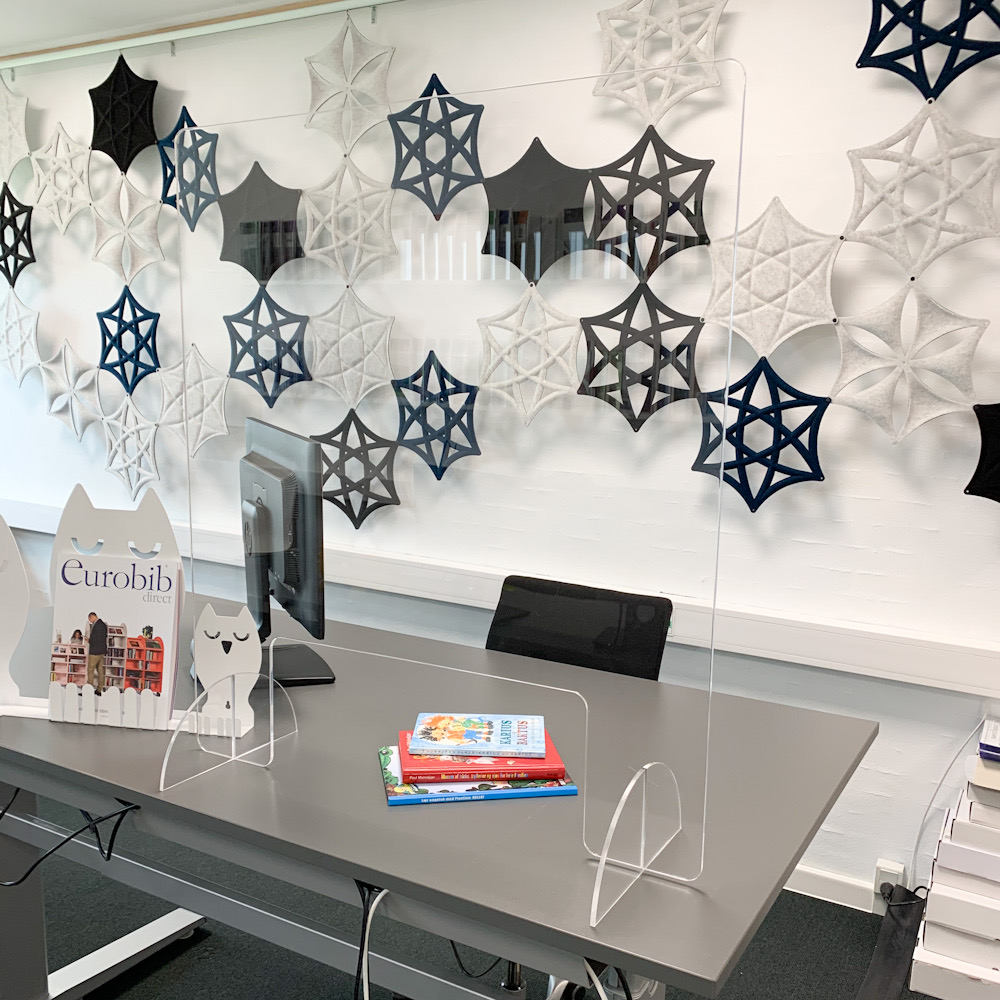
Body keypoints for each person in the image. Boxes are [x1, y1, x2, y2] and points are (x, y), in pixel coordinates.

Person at [86, 612, 107, 694]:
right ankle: (99, 689)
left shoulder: (97, 626)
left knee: (90, 670)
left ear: (91, 617)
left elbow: (96, 639)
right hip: (101, 651)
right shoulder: (103, 625)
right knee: (100, 670)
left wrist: (89, 640)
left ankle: (88, 690)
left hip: (95, 651)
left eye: (90, 619)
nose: (90, 621)